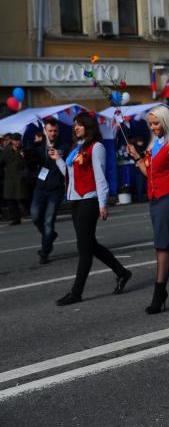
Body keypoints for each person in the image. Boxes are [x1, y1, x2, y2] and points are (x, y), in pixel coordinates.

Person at [50, 112, 131, 306]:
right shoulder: (76, 147)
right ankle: (123, 272)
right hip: (76, 200)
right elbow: (69, 174)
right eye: (75, 125)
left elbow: (100, 177)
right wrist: (58, 159)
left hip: (90, 199)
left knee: (84, 249)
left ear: (88, 127)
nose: (76, 127)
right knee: (90, 244)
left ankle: (76, 292)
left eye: (80, 125)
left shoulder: (97, 147)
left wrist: (103, 204)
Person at [128, 105, 169, 314]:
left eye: (156, 123)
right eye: (151, 124)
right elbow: (148, 173)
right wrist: (138, 157)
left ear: (165, 122)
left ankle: (160, 292)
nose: (153, 127)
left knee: (162, 246)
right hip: (156, 199)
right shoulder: (155, 144)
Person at [27, 119, 68, 263]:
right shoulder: (40, 146)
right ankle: (49, 235)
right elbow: (29, 157)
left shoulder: (64, 145)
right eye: (50, 130)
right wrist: (36, 143)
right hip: (41, 187)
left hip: (55, 189)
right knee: (35, 215)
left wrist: (58, 155)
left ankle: (45, 251)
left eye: (55, 130)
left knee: (48, 221)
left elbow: (67, 165)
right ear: (45, 131)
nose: (53, 133)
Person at [0, 133, 29, 225]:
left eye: (19, 140)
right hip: (10, 178)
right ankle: (16, 218)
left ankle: (31, 212)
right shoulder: (6, 151)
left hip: (21, 177)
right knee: (10, 199)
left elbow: (29, 162)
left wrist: (24, 156)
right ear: (12, 141)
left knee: (23, 198)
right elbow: (1, 162)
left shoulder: (24, 149)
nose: (18, 142)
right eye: (16, 140)